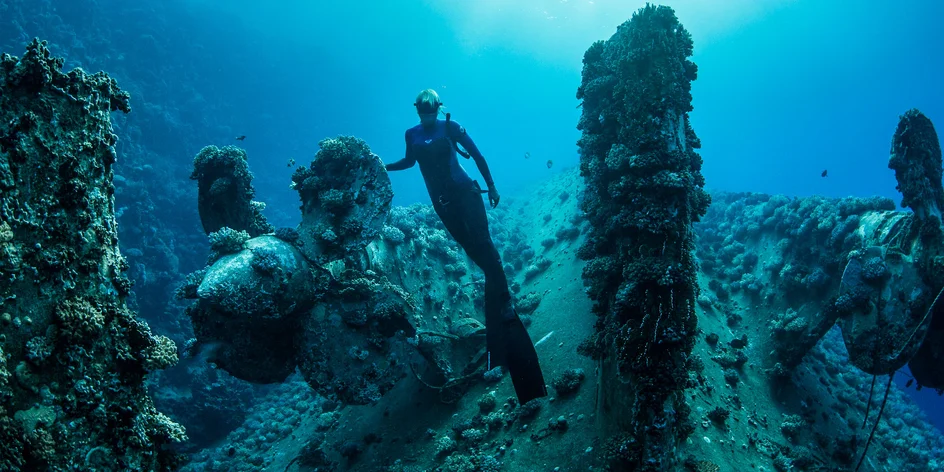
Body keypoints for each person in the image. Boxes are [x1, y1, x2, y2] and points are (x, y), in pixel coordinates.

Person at [385, 89, 547, 404]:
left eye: (431, 111)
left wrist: (492, 187)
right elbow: (408, 161)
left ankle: (503, 310)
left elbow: (478, 155)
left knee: (485, 247)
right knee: (477, 256)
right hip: (443, 205)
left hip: (467, 194)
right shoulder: (411, 134)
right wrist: (384, 166)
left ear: (438, 108)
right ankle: (500, 303)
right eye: (422, 112)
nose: (427, 116)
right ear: (417, 111)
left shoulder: (451, 127)